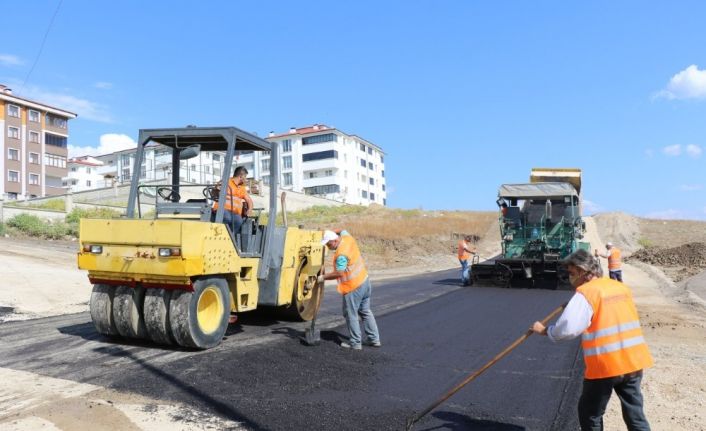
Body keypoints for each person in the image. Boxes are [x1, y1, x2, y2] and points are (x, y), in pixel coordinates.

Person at [531, 249, 653, 431]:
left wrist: (544, 330)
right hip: (634, 361)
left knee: (590, 413)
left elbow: (567, 329)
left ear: (582, 271)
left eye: (572, 273)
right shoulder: (620, 287)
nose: (571, 278)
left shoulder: (586, 293)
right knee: (635, 413)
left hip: (606, 365)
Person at [319, 229, 381, 350]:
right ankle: (374, 339)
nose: (328, 246)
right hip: (365, 281)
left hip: (353, 287)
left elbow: (339, 273)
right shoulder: (348, 238)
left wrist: (323, 277)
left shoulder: (341, 255)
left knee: (351, 314)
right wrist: (330, 230)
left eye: (329, 243)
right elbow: (342, 230)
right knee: (365, 311)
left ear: (335, 240)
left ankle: (355, 343)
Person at [211, 166, 253, 234]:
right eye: (245, 176)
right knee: (227, 218)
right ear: (241, 176)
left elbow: (249, 200)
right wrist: (217, 190)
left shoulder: (242, 188)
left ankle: (231, 237)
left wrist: (249, 209)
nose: (246, 179)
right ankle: (220, 234)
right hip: (222, 210)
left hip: (235, 213)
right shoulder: (225, 182)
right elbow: (214, 193)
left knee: (239, 221)